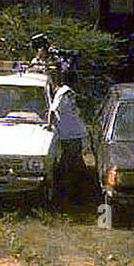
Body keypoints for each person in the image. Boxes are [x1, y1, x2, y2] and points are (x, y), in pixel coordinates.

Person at [48, 72, 88, 200]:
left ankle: (69, 191)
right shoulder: (70, 92)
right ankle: (82, 186)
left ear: (56, 83)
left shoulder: (61, 93)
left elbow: (53, 110)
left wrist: (48, 125)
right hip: (76, 131)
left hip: (69, 133)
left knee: (68, 162)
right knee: (76, 160)